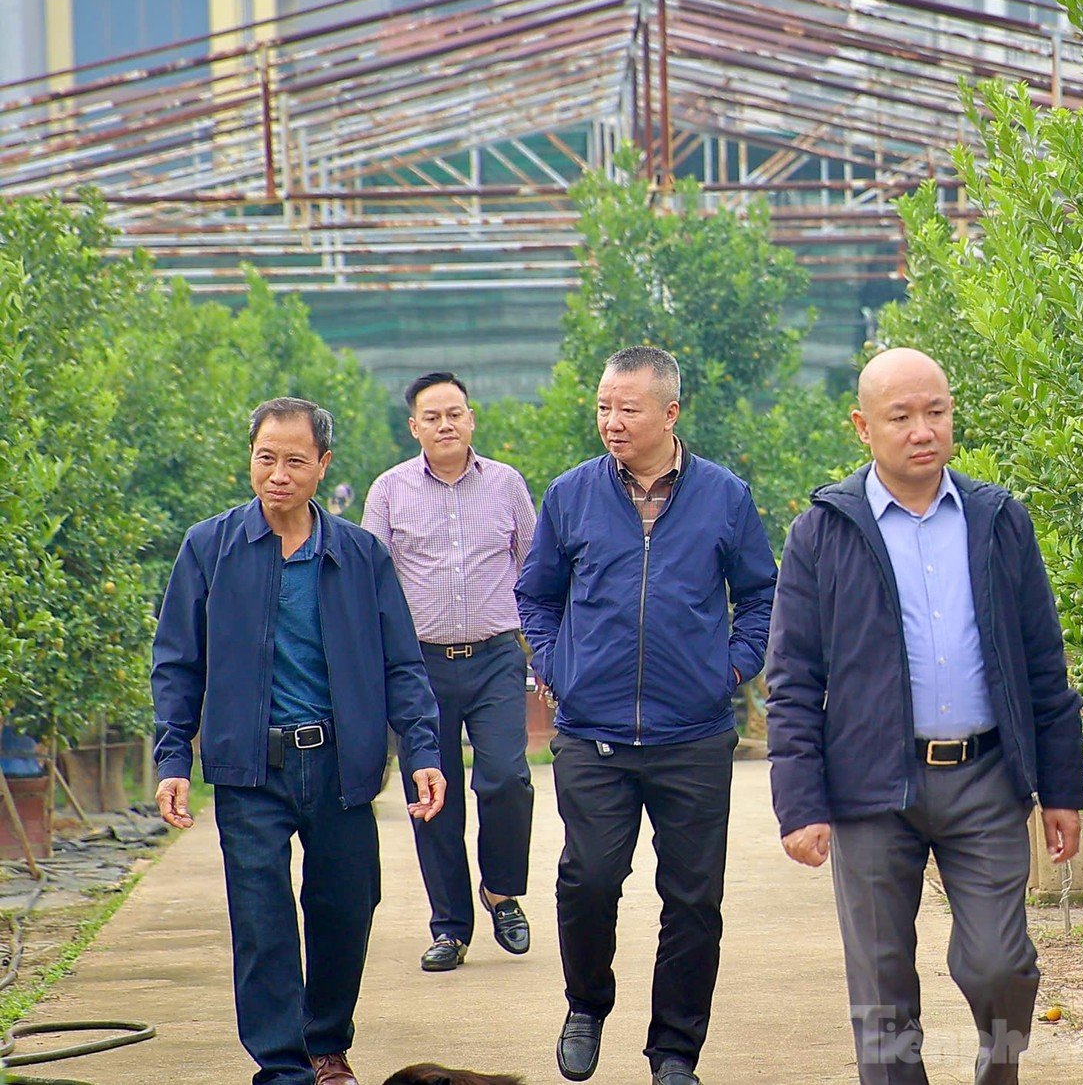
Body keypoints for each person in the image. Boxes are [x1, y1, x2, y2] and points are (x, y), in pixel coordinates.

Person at [766, 348, 1083, 1085]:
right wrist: (800, 804)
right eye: (901, 416)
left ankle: (997, 1065)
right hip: (871, 785)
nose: (922, 430)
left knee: (1000, 964)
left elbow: (1044, 663)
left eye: (935, 412)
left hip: (985, 778)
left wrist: (1063, 789)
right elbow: (792, 679)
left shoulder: (999, 520)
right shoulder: (823, 532)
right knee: (882, 991)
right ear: (862, 426)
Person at [153, 398, 447, 1085]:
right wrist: (172, 757)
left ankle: (325, 1043)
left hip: (339, 763)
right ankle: (284, 1068)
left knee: (347, 905)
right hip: (250, 766)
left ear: (323, 466)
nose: (277, 473)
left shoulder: (359, 555)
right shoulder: (209, 548)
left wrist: (424, 751)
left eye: (293, 460)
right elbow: (177, 662)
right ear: (250, 458)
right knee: (262, 922)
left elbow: (401, 664)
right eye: (265, 457)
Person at [517, 346, 778, 1085]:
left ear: (670, 413)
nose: (611, 421)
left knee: (694, 900)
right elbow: (536, 594)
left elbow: (760, 592)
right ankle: (587, 1003)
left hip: (692, 734)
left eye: (627, 408)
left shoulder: (725, 496)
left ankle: (674, 1054)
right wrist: (555, 664)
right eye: (603, 407)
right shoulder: (570, 495)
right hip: (592, 730)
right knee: (589, 880)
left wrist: (730, 666)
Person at [363, 372, 538, 974]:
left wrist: (541, 651)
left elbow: (534, 570)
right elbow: (372, 585)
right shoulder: (388, 491)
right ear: (414, 427)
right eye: (432, 416)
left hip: (494, 657)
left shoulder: (508, 485)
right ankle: (450, 928)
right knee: (431, 797)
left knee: (506, 777)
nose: (445, 424)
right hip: (419, 668)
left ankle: (502, 891)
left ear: (471, 419)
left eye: (455, 413)